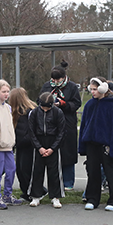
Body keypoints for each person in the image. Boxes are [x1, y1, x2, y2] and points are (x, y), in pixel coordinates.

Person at [79, 79, 113, 211]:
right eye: (91, 89)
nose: (92, 92)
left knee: (110, 172)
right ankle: (92, 198)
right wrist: (82, 144)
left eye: (95, 89)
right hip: (92, 144)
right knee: (93, 172)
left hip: (106, 145)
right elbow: (83, 125)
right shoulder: (89, 105)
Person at [40, 62, 81, 191]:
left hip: (67, 123)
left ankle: (68, 182)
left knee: (67, 152)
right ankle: (55, 182)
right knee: (53, 152)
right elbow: (39, 100)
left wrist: (63, 104)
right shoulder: (47, 86)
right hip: (51, 123)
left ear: (64, 77)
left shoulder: (72, 87)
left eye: (58, 79)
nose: (56, 82)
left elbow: (76, 103)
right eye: (53, 79)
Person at [0, 79, 23, 209]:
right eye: (3, 92)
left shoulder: (8, 107)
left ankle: (7, 195)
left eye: (8, 91)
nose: (6, 94)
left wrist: (11, 140)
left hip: (8, 145)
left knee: (11, 169)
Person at [28, 92, 66, 208]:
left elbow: (61, 132)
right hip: (39, 143)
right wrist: (39, 147)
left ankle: (55, 197)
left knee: (54, 172)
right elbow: (31, 131)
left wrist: (53, 148)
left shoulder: (58, 113)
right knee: (37, 171)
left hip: (52, 142)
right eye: (43, 108)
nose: (45, 110)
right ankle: (35, 196)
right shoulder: (34, 113)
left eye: (47, 108)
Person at [9, 87, 37, 203]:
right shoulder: (18, 112)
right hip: (20, 145)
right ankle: (26, 192)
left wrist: (21, 141)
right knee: (20, 170)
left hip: (28, 145)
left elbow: (31, 131)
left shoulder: (29, 112)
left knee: (26, 169)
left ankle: (32, 191)